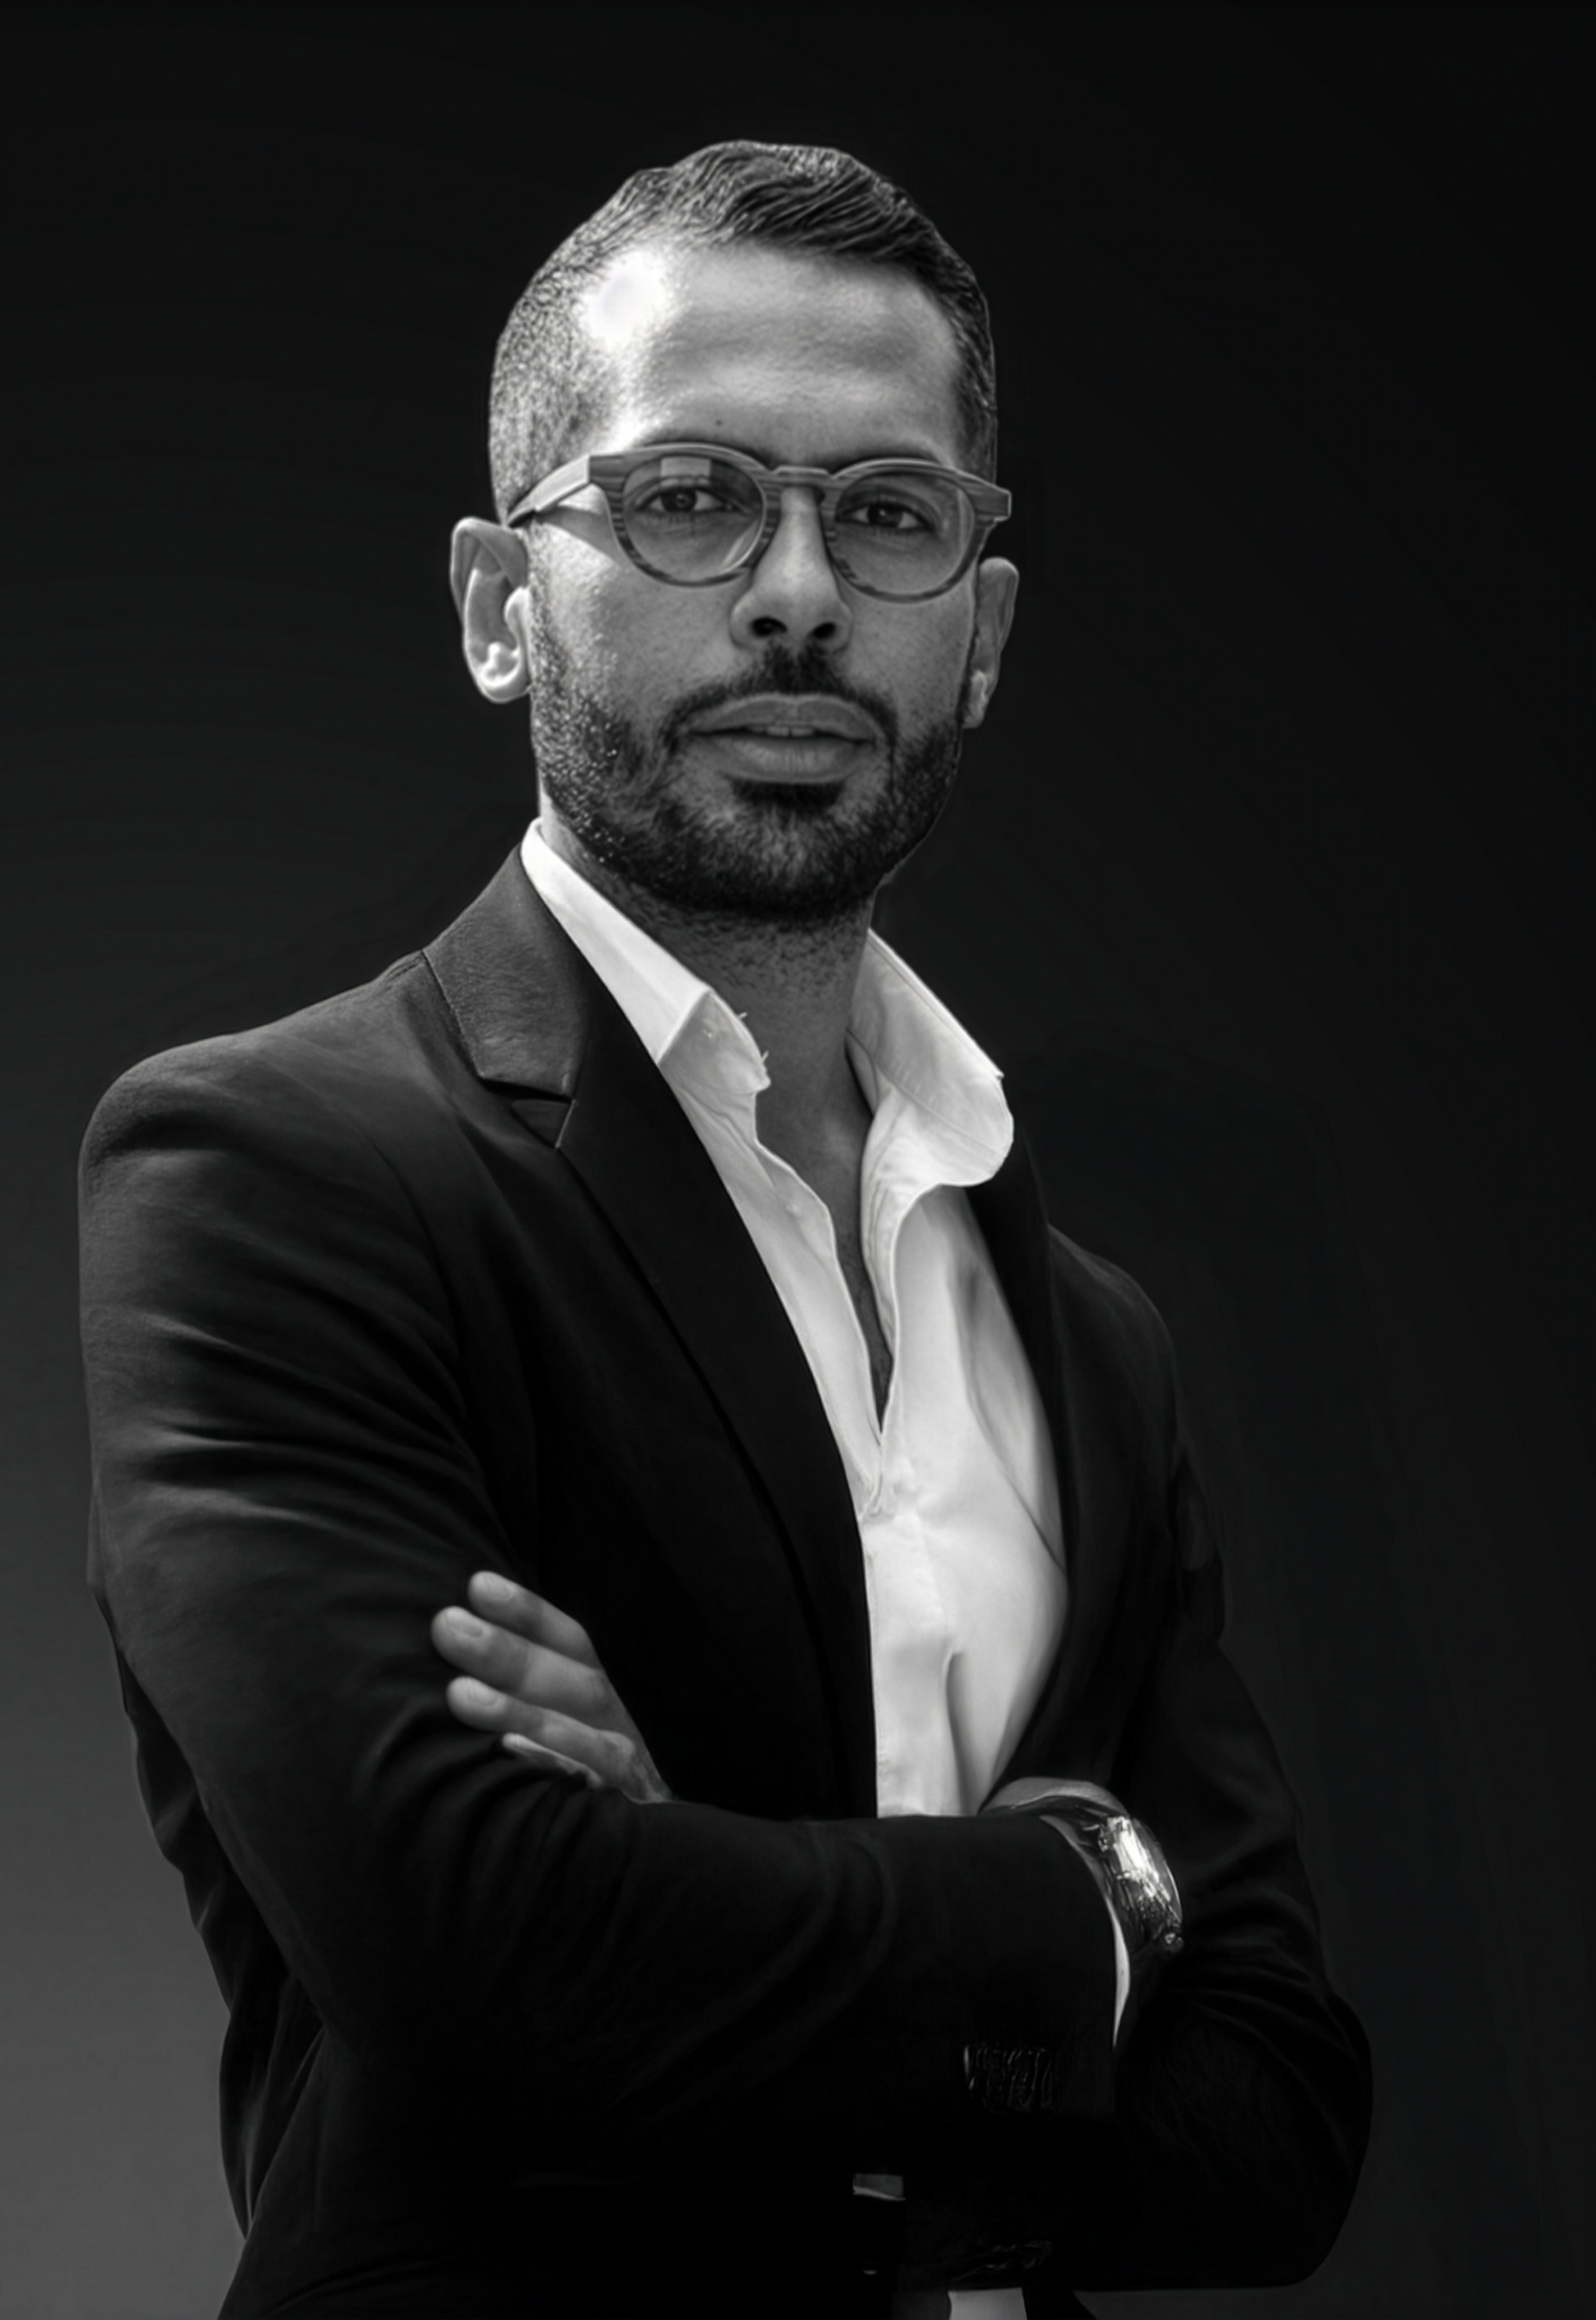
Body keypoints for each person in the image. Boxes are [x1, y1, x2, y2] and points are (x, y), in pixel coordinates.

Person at [78, 142, 1372, 2319]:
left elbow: (1278, 2132)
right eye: (688, 498)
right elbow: (484, 1984)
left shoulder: (1092, 1334)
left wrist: (687, 1888)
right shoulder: (269, 1173)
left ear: (980, 635)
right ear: (501, 606)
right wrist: (1087, 1892)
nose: (796, 594)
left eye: (887, 515)